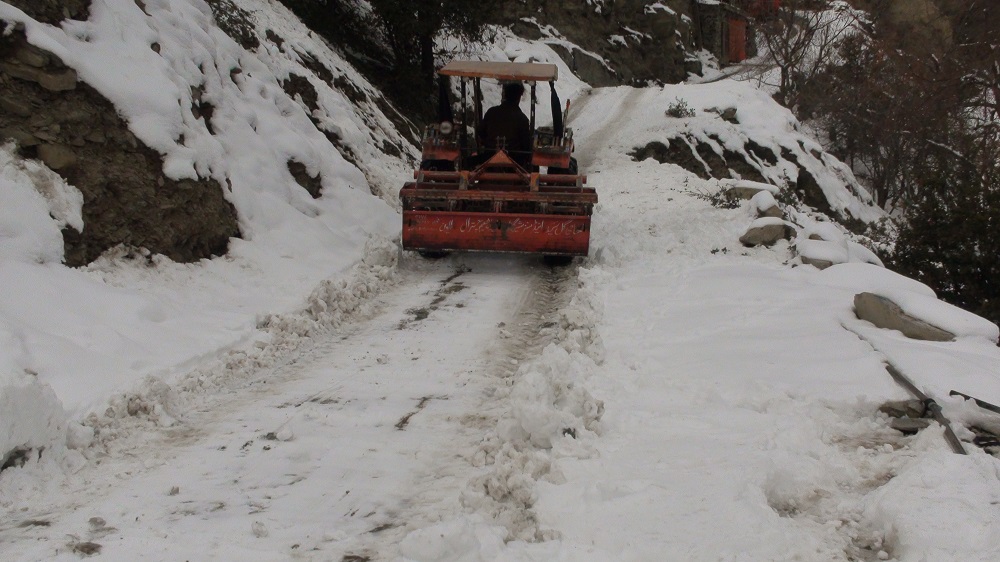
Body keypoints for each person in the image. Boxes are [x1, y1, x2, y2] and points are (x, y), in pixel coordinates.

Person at [477, 82, 532, 168]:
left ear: (505, 95)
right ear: (519, 98)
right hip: (515, 161)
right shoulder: (522, 119)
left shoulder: (491, 112)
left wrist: (488, 142)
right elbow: (526, 144)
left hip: (489, 157)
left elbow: (480, 131)